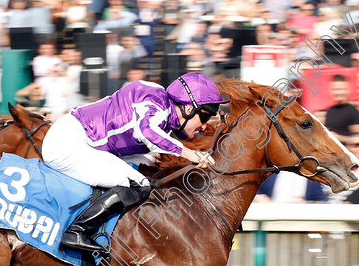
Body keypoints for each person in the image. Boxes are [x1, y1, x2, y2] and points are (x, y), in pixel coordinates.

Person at [41, 71, 225, 253]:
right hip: (67, 143)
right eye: (204, 117)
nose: (204, 126)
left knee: (150, 170)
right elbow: (147, 132)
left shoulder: (162, 104)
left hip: (78, 136)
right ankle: (77, 230)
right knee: (140, 185)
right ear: (188, 108)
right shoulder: (156, 106)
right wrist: (190, 154)